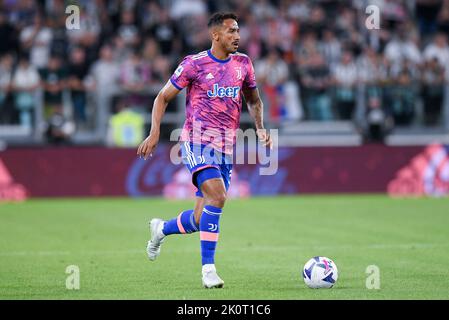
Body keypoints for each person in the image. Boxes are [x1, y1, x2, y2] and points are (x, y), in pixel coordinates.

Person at [136, 12, 272, 288]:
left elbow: (254, 101)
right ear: (216, 35)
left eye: (238, 31)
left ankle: (161, 229)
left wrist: (259, 127)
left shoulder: (243, 64)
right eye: (231, 31)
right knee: (219, 198)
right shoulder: (194, 64)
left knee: (200, 218)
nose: (237, 36)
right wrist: (154, 132)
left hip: (226, 148)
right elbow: (162, 97)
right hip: (196, 142)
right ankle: (208, 270)